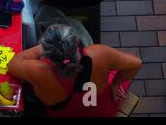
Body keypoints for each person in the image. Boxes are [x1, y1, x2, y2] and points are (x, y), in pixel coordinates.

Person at [8, 24, 142, 117]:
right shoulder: (99, 54)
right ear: (77, 41)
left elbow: (13, 63)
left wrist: (42, 48)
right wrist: (115, 83)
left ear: (46, 52)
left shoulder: (40, 70)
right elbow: (136, 64)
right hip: (100, 111)